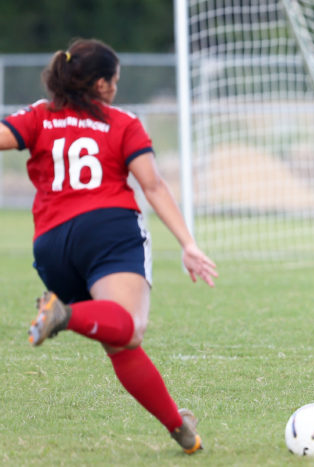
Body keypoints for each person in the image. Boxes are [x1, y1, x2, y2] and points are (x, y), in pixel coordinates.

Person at [0, 39, 217, 453]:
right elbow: (152, 184)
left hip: (51, 244)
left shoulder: (39, 116)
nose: (116, 89)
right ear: (100, 84)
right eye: (113, 81)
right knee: (128, 326)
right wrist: (188, 244)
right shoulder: (123, 122)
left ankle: (180, 429)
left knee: (119, 340)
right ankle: (60, 313)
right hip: (108, 229)